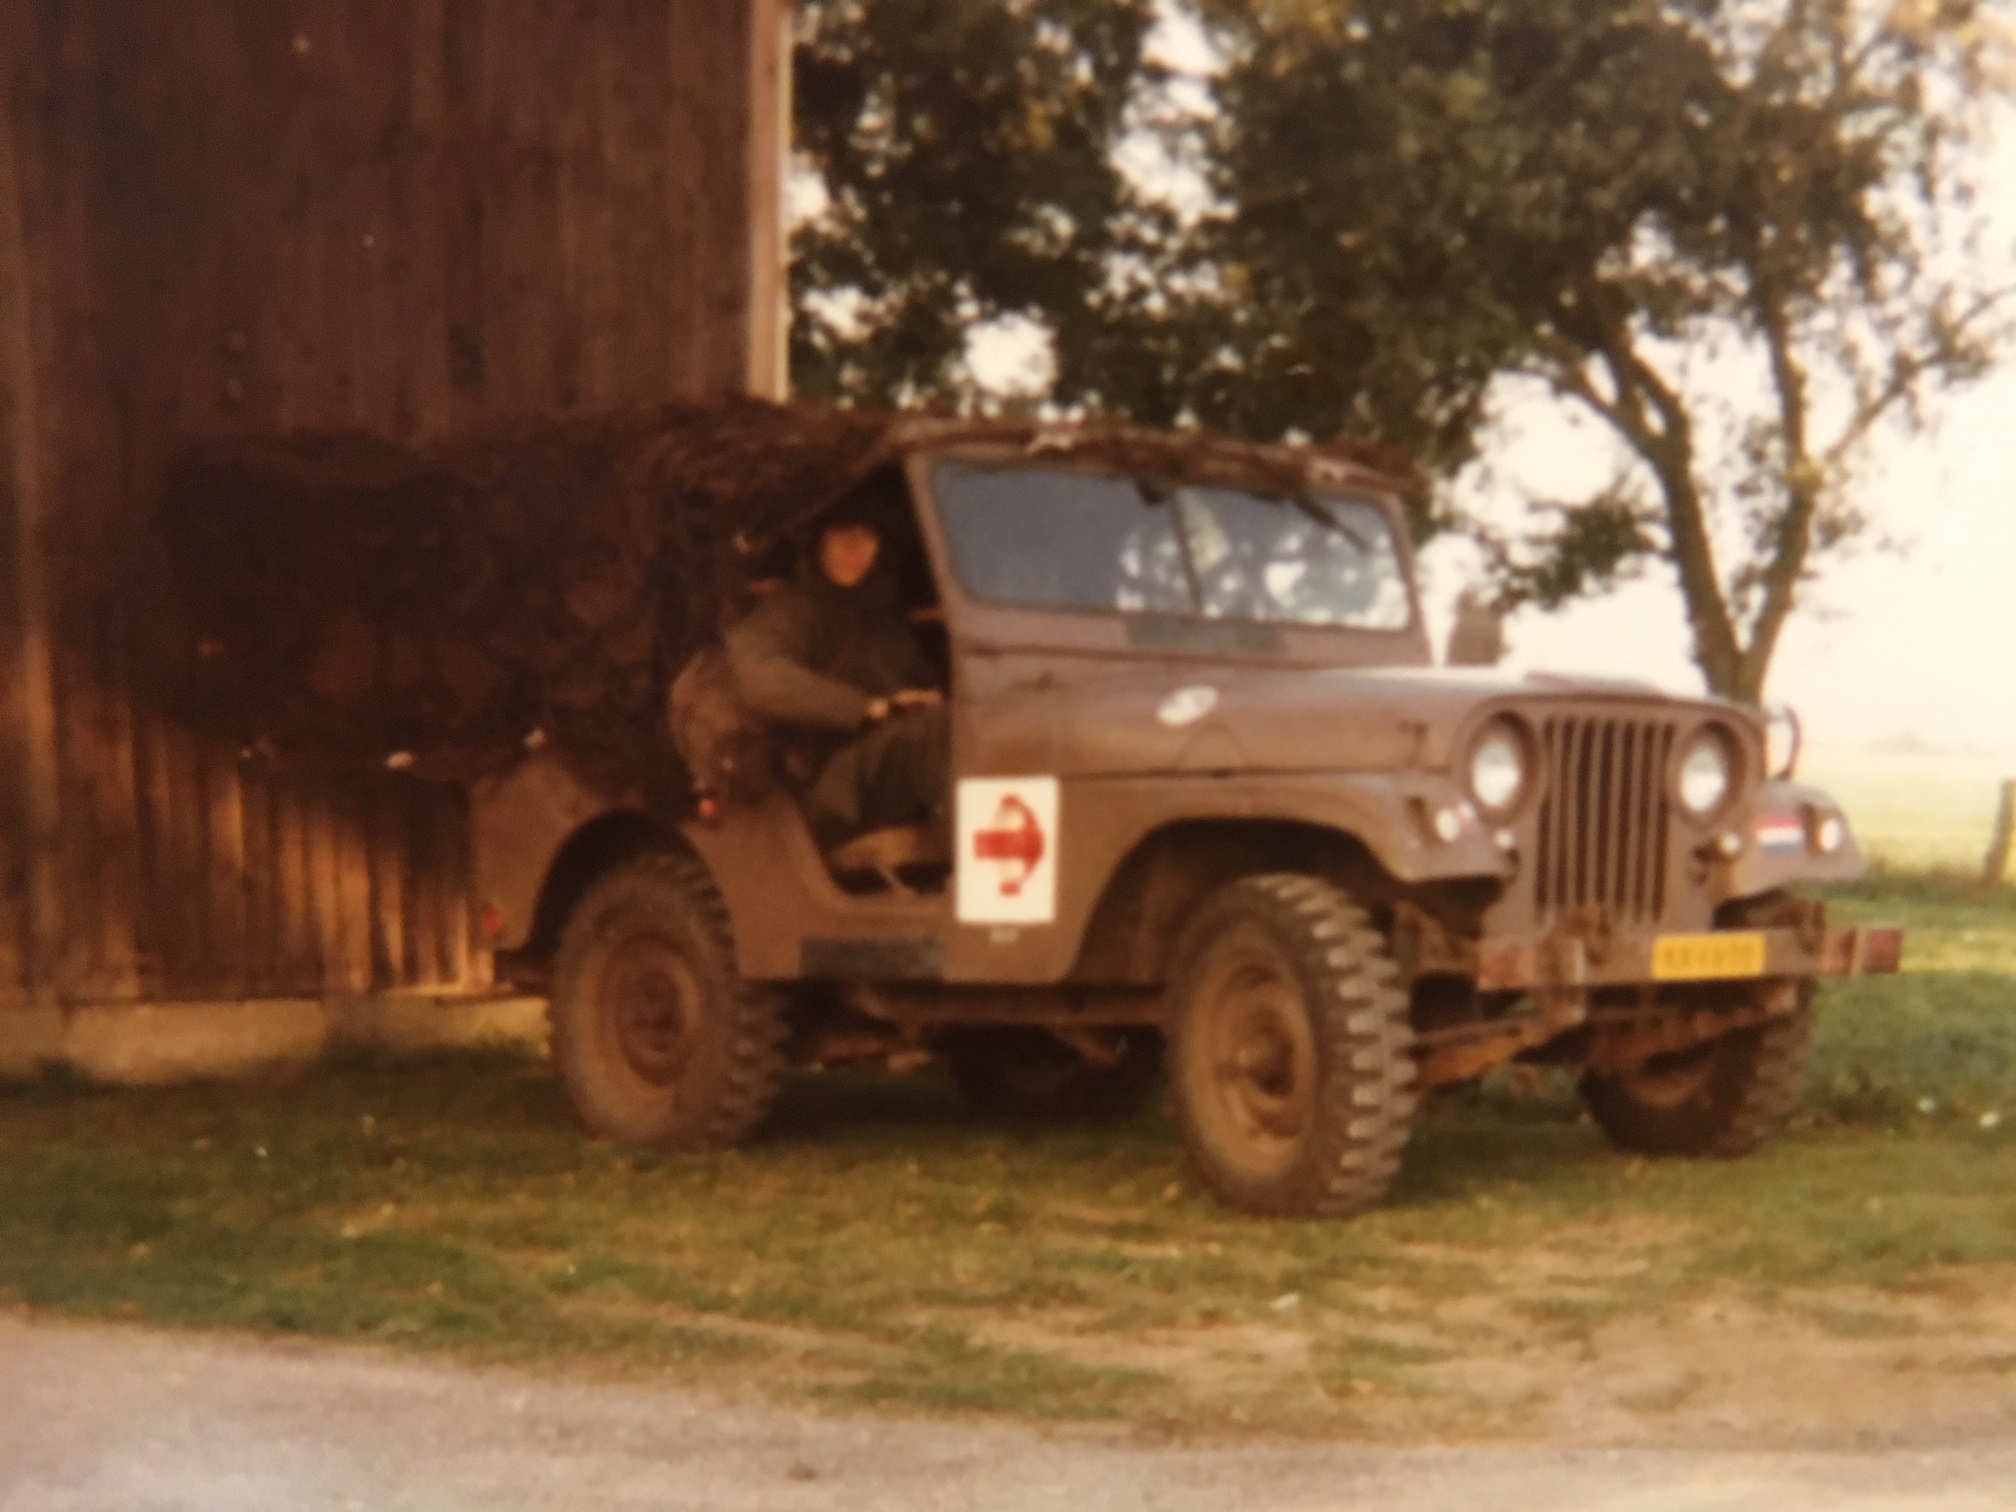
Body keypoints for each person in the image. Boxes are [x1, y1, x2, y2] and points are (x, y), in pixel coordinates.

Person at [724, 498, 949, 854]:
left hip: (887, 765)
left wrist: (925, 698)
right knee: (938, 732)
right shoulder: (793, 607)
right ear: (820, 541)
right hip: (827, 781)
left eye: (866, 537)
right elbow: (760, 677)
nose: (854, 550)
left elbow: (918, 682)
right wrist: (864, 708)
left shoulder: (884, 619)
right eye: (843, 535)